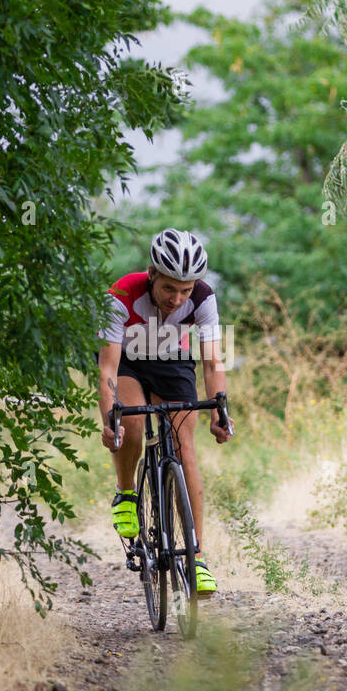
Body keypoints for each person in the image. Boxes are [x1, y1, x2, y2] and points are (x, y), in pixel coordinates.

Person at [96, 228, 232, 594]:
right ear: (152, 274)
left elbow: (212, 362)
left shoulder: (203, 298)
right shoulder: (123, 293)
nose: (177, 299)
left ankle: (196, 557)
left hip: (172, 359)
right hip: (128, 360)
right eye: (169, 288)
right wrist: (111, 419)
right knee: (134, 422)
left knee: (185, 447)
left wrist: (220, 410)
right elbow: (108, 368)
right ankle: (126, 493)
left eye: (185, 290)